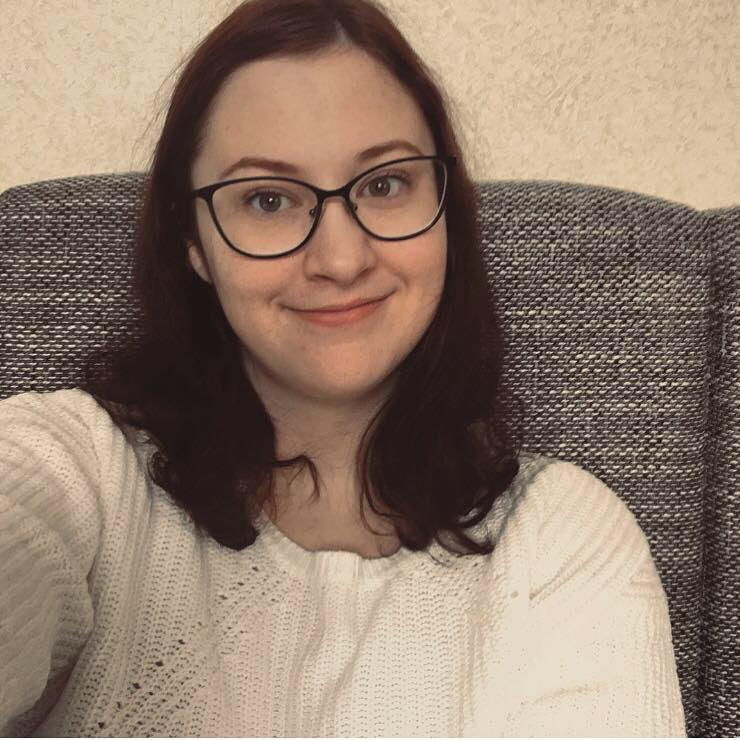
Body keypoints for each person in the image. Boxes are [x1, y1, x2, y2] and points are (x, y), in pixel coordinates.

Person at [0, 0, 686, 736]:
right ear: (190, 241)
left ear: (446, 210)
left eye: (384, 185)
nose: (341, 259)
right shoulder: (80, 471)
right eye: (268, 199)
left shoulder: (564, 542)